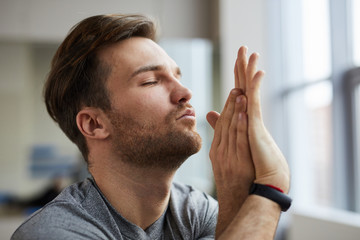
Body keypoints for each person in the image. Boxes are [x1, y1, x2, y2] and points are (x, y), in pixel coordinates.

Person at [11, 14, 290, 239]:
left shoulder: (195, 210)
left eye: (177, 76)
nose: (184, 91)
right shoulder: (53, 232)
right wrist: (270, 188)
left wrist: (234, 190)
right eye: (151, 81)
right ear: (94, 124)